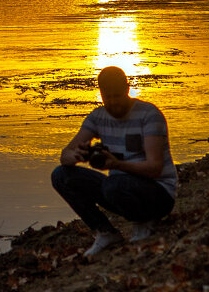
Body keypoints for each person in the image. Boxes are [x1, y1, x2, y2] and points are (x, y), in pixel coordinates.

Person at [51, 65, 177, 257]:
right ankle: (106, 232)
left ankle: (144, 222)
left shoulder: (149, 115)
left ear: (127, 89)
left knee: (114, 184)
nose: (112, 103)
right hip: (119, 188)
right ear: (100, 93)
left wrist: (117, 165)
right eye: (107, 97)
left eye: (117, 96)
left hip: (158, 193)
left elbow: (154, 168)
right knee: (61, 175)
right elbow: (65, 154)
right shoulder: (98, 117)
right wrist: (77, 156)